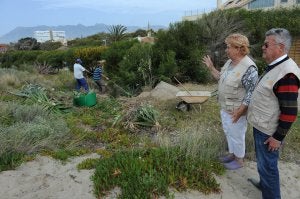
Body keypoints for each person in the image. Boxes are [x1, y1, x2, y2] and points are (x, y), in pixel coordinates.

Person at [247, 28, 300, 199]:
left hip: (269, 131)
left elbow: (290, 111)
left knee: (268, 166)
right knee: (263, 164)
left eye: (266, 44)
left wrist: (278, 137)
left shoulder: (287, 74)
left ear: (280, 47)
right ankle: (264, 185)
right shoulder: (276, 66)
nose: (262, 47)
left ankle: (271, 194)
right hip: (262, 125)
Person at [202, 33, 258, 170]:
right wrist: (211, 67)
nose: (226, 50)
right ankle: (232, 155)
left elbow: (252, 92)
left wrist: (241, 111)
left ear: (239, 48)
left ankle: (239, 161)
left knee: (237, 135)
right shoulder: (229, 63)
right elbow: (221, 78)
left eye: (228, 47)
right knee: (229, 132)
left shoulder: (249, 68)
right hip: (225, 107)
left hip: (237, 111)